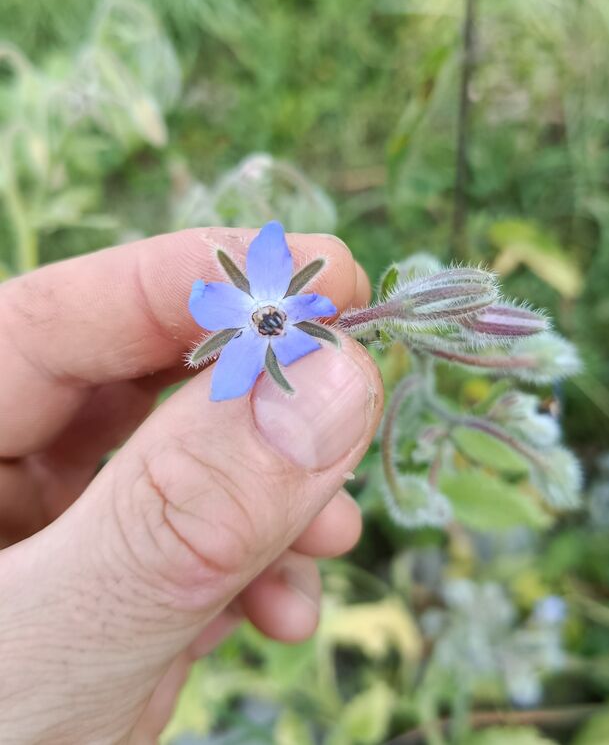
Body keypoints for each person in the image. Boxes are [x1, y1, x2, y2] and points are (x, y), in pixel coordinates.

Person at [0, 227, 383, 744]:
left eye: (276, 317)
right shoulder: (230, 330)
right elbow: (219, 348)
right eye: (267, 318)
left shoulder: (290, 313)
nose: (271, 319)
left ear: (293, 304)